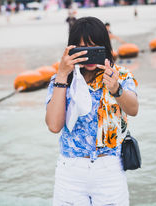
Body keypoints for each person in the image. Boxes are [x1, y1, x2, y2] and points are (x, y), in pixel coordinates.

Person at [45, 17, 139, 206]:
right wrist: (62, 74)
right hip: (70, 170)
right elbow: (54, 126)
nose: (89, 55)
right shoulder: (61, 79)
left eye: (96, 48)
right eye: (83, 49)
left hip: (109, 167)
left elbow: (133, 109)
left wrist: (116, 89)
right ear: (72, 49)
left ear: (105, 47)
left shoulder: (120, 75)